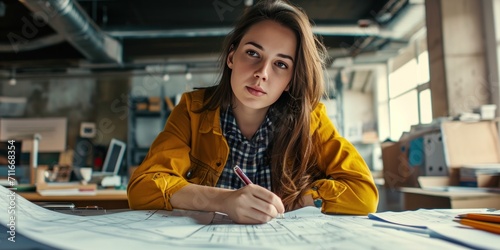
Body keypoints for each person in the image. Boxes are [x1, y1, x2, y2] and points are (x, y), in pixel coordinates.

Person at [128, 0, 378, 224]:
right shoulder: (193, 109)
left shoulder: (310, 118)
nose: (262, 73)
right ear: (232, 57)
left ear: (291, 80)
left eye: (281, 64)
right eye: (252, 53)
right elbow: (143, 188)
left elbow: (363, 194)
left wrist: (305, 199)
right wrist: (224, 200)